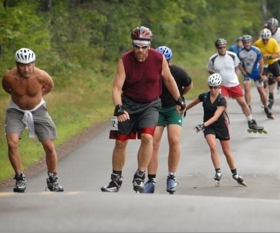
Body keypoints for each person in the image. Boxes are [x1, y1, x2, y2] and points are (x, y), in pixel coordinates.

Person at [101, 26, 186, 193]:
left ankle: (140, 175)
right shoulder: (125, 60)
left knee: (148, 138)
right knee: (120, 141)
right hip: (128, 104)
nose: (140, 51)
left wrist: (179, 99)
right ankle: (115, 179)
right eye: (136, 47)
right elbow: (117, 88)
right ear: (132, 45)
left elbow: (168, 80)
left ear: (149, 45)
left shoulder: (158, 58)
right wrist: (119, 108)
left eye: (144, 47)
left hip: (150, 105)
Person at [1, 48, 64, 193]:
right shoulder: (9, 77)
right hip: (15, 110)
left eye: (30, 64)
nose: (27, 68)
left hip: (38, 110)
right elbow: (6, 88)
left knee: (49, 145)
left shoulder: (42, 76)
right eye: (23, 65)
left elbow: (49, 87)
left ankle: (53, 179)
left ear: (34, 63)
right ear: (17, 65)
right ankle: (19, 178)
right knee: (12, 142)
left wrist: (35, 100)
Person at [144, 46, 193, 194]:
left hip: (174, 108)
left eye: (167, 61)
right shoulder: (150, 72)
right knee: (153, 142)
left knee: (174, 140)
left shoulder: (178, 72)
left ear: (170, 61)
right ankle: (151, 180)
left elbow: (189, 85)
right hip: (156, 108)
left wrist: (179, 97)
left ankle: (172, 176)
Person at [184, 73, 247, 187]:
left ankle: (235, 174)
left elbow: (216, 117)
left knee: (227, 151)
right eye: (211, 87)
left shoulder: (222, 100)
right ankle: (218, 171)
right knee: (213, 147)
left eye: (215, 87)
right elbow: (193, 102)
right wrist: (184, 110)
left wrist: (202, 125)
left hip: (220, 125)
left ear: (219, 87)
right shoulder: (204, 96)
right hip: (209, 126)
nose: (213, 89)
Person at [206, 38, 265, 132]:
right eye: (220, 48)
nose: (222, 49)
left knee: (243, 103)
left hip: (234, 83)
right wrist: (216, 77)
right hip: (221, 85)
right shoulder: (213, 59)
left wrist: (243, 75)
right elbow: (210, 70)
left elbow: (237, 66)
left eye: (224, 47)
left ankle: (251, 121)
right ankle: (224, 123)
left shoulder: (232, 56)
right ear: (217, 48)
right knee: (224, 104)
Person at [253, 28, 280, 109]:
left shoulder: (273, 42)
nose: (265, 41)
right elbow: (252, 52)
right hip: (264, 65)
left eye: (266, 39)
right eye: (264, 40)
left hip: (273, 63)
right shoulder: (257, 43)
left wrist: (269, 57)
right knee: (264, 82)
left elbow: (278, 54)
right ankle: (266, 100)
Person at [237, 34, 273, 119]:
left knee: (261, 91)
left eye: (248, 42)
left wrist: (260, 75)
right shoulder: (240, 52)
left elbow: (261, 63)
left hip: (256, 73)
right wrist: (244, 73)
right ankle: (248, 107)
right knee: (246, 89)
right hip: (247, 73)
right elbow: (238, 64)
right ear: (243, 43)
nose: (247, 44)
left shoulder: (256, 50)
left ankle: (266, 107)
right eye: (245, 42)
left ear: (251, 42)